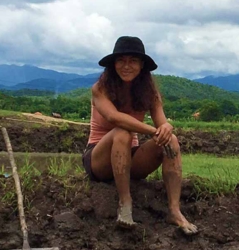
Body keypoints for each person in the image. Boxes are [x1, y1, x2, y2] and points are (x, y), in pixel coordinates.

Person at [81, 36, 198, 235]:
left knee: (172, 140)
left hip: (130, 158)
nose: (127, 66)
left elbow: (162, 124)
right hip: (99, 159)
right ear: (113, 64)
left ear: (142, 65)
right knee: (122, 132)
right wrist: (153, 131)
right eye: (121, 60)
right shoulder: (100, 89)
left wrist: (166, 128)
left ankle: (174, 210)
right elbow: (114, 117)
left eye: (133, 61)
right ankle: (125, 204)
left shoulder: (149, 91)